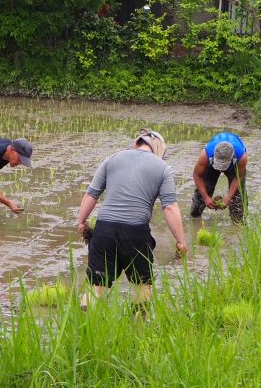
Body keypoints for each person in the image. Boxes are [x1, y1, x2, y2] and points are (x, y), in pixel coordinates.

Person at [76, 129, 187, 310]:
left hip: (104, 230)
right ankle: (138, 330)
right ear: (159, 151)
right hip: (135, 234)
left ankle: (84, 330)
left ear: (137, 143)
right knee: (143, 285)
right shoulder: (163, 168)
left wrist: (81, 222)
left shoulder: (112, 159)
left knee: (97, 286)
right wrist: (180, 241)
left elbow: (92, 194)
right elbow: (169, 206)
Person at [191, 132, 248, 223]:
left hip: (234, 167)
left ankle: (238, 223)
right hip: (211, 165)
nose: (221, 169)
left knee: (238, 199)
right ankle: (195, 219)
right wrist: (206, 198)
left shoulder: (242, 157)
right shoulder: (206, 154)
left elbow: (239, 177)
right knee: (201, 194)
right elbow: (197, 175)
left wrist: (229, 197)